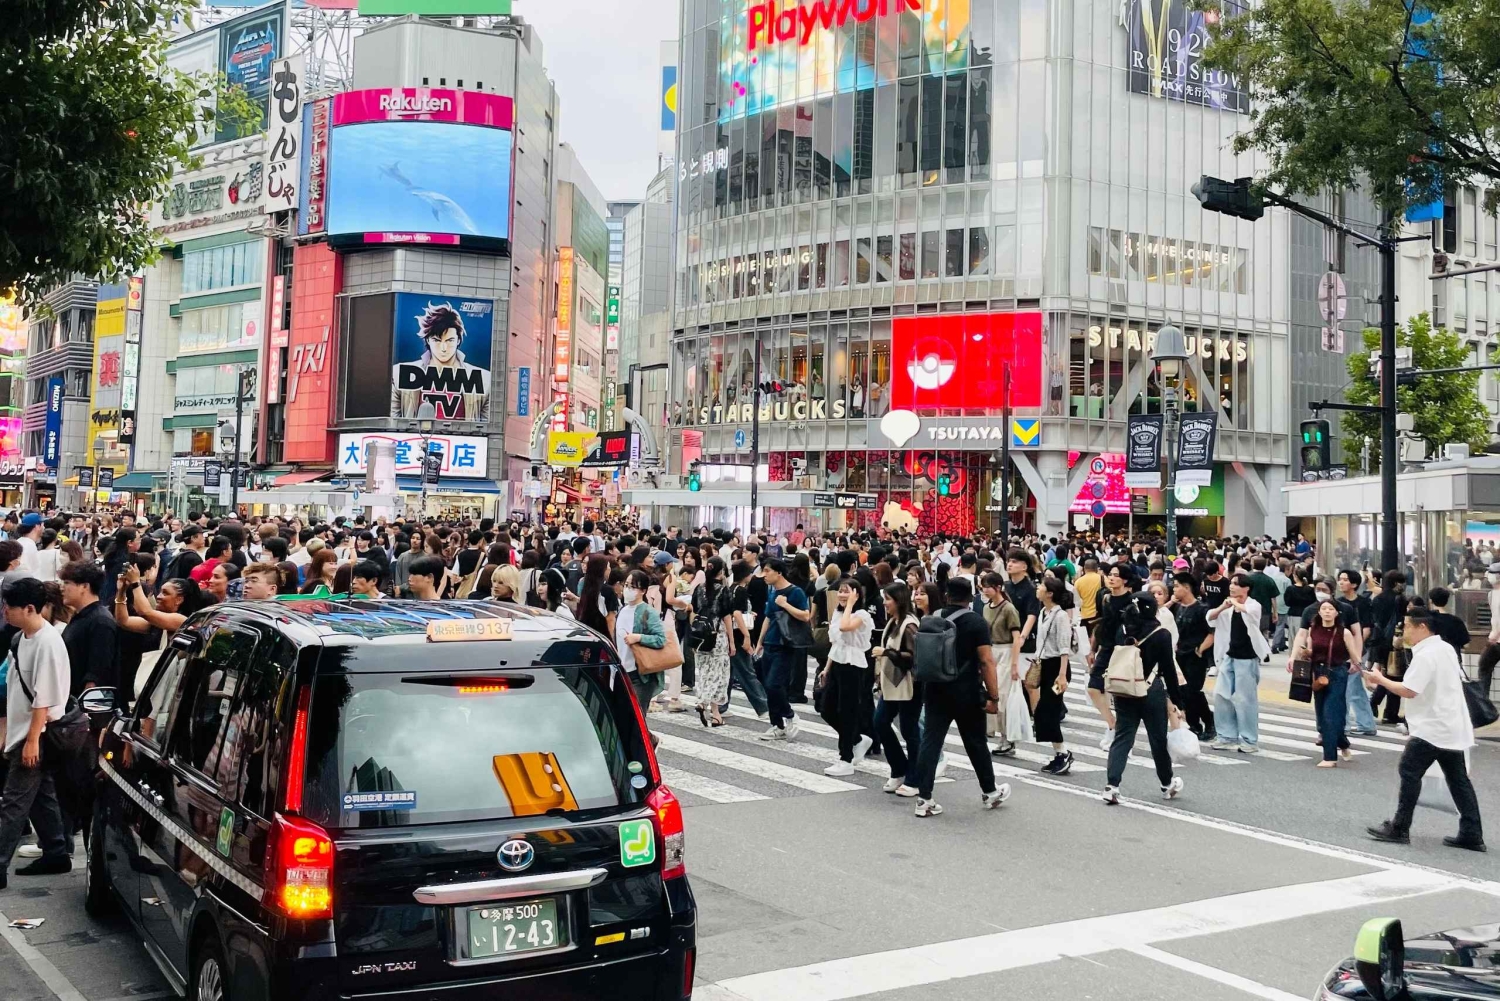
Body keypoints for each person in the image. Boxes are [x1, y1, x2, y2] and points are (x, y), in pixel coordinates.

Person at [1365, 609, 1485, 851]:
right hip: (1450, 724)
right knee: (1458, 778)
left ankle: (1400, 827)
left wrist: (1380, 679)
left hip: (1432, 726)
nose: (1404, 631)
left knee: (1409, 770)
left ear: (1422, 628)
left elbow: (1410, 690)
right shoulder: (1445, 648)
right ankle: (1472, 832)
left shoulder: (1426, 655)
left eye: (1408, 626)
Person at [909, 576, 1011, 818]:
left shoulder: (932, 618)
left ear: (946, 595)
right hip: (966, 691)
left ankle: (924, 799)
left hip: (934, 688)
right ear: (971, 596)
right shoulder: (976, 622)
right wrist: (994, 697)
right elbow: (986, 661)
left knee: (931, 742)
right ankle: (990, 791)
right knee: (975, 742)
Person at [0, 577, 78, 887]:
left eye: (10, 607)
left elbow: (44, 699)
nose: (5, 611)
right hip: (25, 732)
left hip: (40, 733)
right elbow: (17, 689)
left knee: (12, 803)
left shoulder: (48, 642)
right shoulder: (21, 638)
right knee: (39, 796)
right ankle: (56, 852)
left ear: (30, 608)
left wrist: (31, 740)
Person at [1102, 593, 1184, 804]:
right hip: (1151, 689)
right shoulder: (1161, 633)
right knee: (1157, 739)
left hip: (1125, 688)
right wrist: (1177, 701)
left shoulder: (1123, 630)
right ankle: (1167, 783)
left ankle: (1112, 785)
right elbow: (1168, 669)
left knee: (1123, 737)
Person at [1289, 597, 1362, 767]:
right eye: (1324, 609)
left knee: (1331, 713)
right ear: (1319, 612)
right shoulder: (1313, 630)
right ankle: (1342, 742)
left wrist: (1359, 667)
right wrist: (1304, 654)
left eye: (1331, 609)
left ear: (1337, 613)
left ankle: (1330, 758)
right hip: (1318, 674)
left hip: (1337, 673)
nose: (1327, 611)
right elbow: (1310, 649)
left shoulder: (1344, 632)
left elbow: (1354, 655)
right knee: (1322, 715)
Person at [1206, 573, 1269, 753]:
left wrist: (1234, 603)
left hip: (1247, 658)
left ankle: (1249, 740)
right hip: (1228, 655)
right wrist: (1222, 606)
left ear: (1246, 588)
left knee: (1245, 699)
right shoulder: (1228, 605)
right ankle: (1226, 736)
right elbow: (1210, 617)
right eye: (1231, 584)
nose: (1232, 587)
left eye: (1236, 584)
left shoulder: (1253, 604)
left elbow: (1250, 612)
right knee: (1221, 694)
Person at [818, 577, 875, 776]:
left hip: (854, 665)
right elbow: (836, 643)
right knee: (826, 708)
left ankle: (846, 758)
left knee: (847, 710)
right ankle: (858, 739)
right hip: (838, 663)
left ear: (856, 594)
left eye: (847, 591)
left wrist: (851, 603)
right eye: (840, 591)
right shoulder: (838, 613)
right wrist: (826, 668)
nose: (842, 595)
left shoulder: (862, 614)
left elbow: (845, 628)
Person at [753, 559, 811, 742]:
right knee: (767, 686)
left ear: (779, 573)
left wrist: (785, 604)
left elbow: (805, 615)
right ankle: (777, 725)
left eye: (768, 571)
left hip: (785, 645)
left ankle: (790, 715)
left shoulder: (795, 592)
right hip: (770, 643)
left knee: (774, 684)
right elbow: (768, 618)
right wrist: (760, 641)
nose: (764, 575)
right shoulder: (773, 592)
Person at [872, 582, 921, 796]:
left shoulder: (910, 625)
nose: (884, 603)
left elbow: (913, 658)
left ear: (898, 601)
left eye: (888, 599)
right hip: (892, 682)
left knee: (910, 730)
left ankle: (914, 777)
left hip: (909, 683)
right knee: (880, 722)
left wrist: (887, 653)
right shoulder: (894, 621)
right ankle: (899, 768)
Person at [1033, 577, 1075, 775]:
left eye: (1041, 586)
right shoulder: (1043, 612)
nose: (1038, 588)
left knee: (1048, 710)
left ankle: (1063, 753)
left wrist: (1062, 676)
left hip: (1058, 669)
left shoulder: (1060, 616)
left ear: (1050, 593)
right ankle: (1059, 753)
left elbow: (1064, 647)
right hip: (1046, 667)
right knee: (1044, 712)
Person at [57, 560, 118, 695]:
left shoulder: (100, 621)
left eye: (67, 583)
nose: (62, 588)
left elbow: (97, 672)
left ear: (84, 586)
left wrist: (85, 706)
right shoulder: (81, 616)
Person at [979, 573, 1021, 755]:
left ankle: (1008, 738)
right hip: (992, 651)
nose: (984, 590)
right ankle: (1002, 736)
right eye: (983, 586)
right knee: (992, 693)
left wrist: (1014, 665)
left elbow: (1016, 637)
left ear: (997, 587)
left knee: (1002, 696)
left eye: (987, 586)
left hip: (1006, 652)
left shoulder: (1009, 609)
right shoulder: (986, 607)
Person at [1171, 572, 1216, 741]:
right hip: (1179, 655)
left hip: (1195, 656)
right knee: (1183, 692)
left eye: (1177, 586)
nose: (1174, 589)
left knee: (1193, 691)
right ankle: (1194, 725)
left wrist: (1200, 649)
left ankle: (1209, 721)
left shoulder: (1202, 609)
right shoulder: (1177, 607)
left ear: (1187, 587)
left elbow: (1211, 633)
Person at [619, 568, 668, 710]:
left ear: (643, 591)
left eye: (633, 587)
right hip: (623, 672)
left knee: (637, 717)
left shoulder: (648, 612)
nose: (628, 589)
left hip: (640, 676)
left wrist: (638, 637)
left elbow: (660, 639)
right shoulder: (622, 610)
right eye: (626, 585)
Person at [1368, 570, 1409, 728]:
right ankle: (1387, 711)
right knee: (1395, 677)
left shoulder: (1378, 599)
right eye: (1402, 582)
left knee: (1389, 675)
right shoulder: (1399, 599)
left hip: (1380, 642)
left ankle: (1383, 708)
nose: (1404, 585)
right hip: (1395, 641)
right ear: (1396, 583)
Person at [692, 559, 731, 727]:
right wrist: (732, 641)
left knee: (704, 671)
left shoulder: (698, 589)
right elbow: (727, 616)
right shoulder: (723, 590)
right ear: (721, 572)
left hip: (700, 634)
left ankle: (715, 714)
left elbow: (693, 611)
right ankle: (705, 702)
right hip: (718, 634)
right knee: (719, 674)